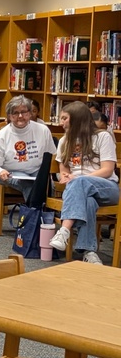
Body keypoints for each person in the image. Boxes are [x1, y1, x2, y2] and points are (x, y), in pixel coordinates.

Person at [48, 101, 118, 265]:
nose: (61, 123)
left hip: (106, 187)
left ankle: (65, 229)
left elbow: (107, 170)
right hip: (78, 192)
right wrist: (66, 178)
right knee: (88, 202)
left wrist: (78, 179)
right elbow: (64, 173)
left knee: (81, 182)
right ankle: (89, 251)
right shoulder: (65, 141)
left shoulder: (103, 137)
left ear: (77, 119)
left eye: (65, 118)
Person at [0, 95, 55, 200]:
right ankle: (34, 214)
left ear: (30, 113)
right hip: (10, 172)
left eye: (24, 112)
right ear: (9, 116)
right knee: (28, 184)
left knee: (48, 184)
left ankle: (47, 213)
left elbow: (51, 156)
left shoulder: (43, 130)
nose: (20, 116)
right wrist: (0, 171)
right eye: (15, 113)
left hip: (36, 170)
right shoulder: (2, 136)